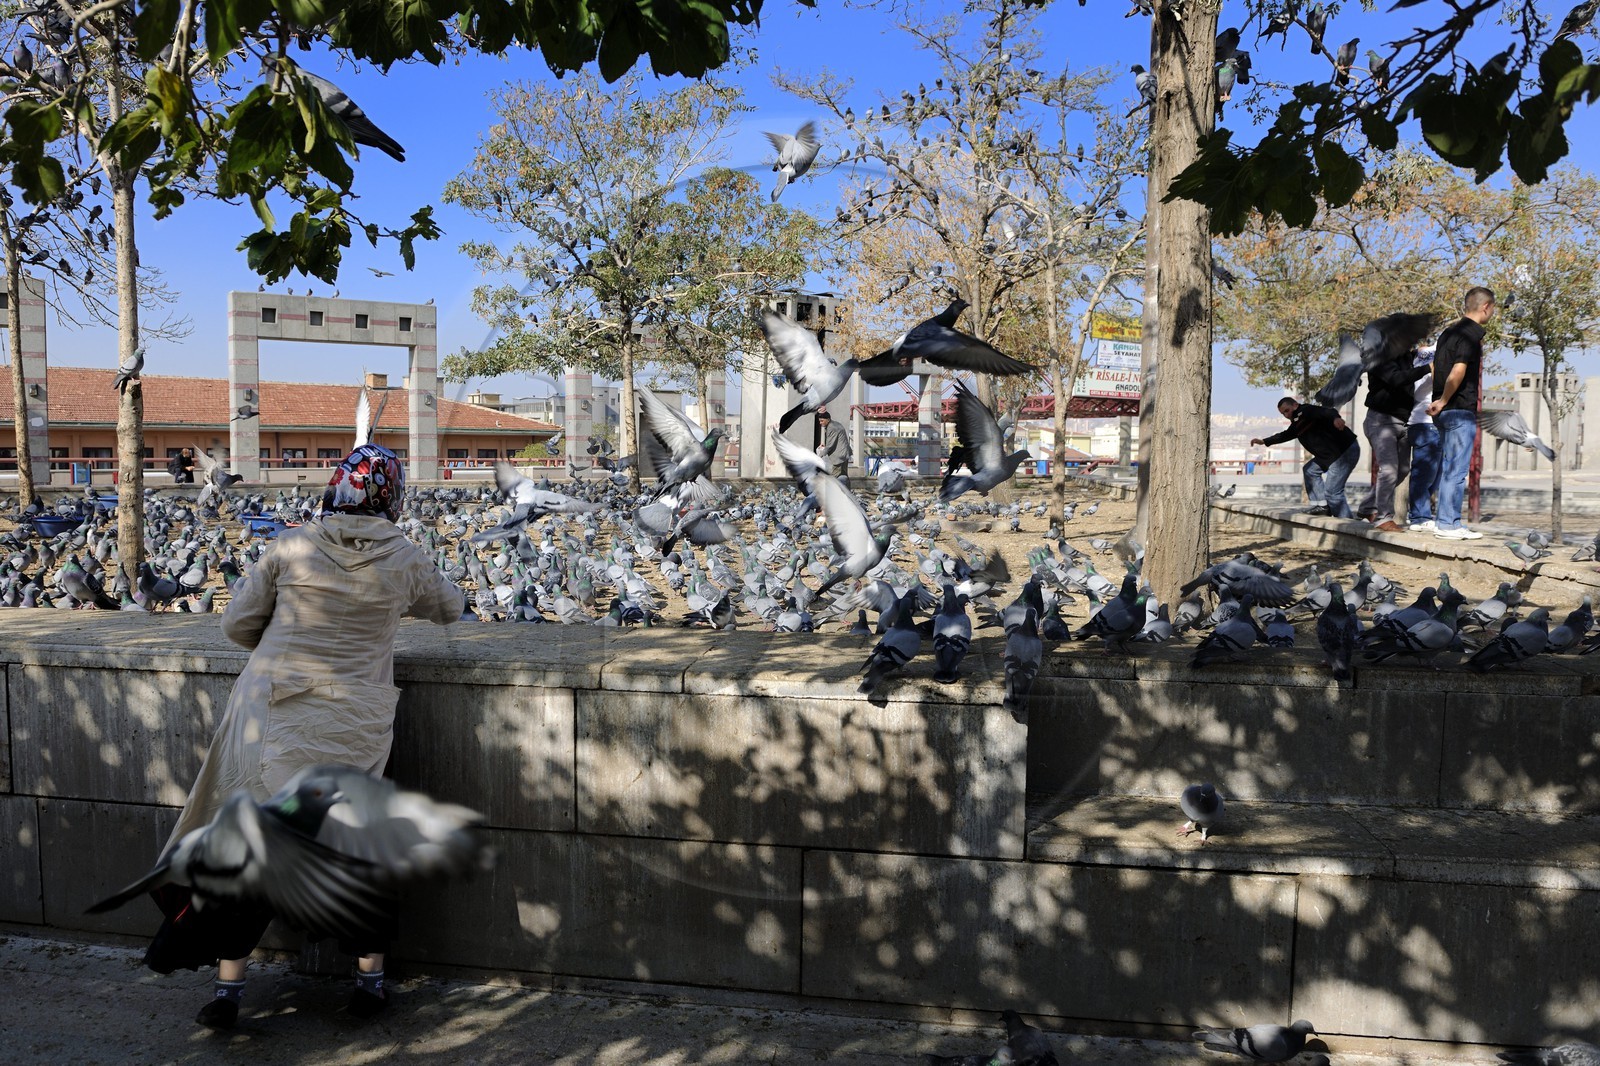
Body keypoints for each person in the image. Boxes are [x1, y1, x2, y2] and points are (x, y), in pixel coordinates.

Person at [143, 443, 464, 1029]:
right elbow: (451, 608)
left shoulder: (290, 545)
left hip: (275, 721)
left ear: (336, 486)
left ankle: (228, 992)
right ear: (392, 494)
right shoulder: (407, 558)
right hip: (355, 727)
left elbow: (236, 624)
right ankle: (369, 982)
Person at [1427, 287, 1496, 540]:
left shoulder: (1447, 333)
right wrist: (1444, 400)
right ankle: (1448, 524)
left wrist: (1437, 400)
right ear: (1486, 307)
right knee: (1456, 471)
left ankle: (1443, 522)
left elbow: (1435, 366)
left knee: (1448, 469)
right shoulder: (1469, 336)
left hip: (1443, 412)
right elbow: (1457, 372)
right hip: (1458, 411)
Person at [1357, 341, 1436, 532]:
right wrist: (1427, 368)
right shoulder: (1379, 357)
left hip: (1403, 421)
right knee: (1389, 470)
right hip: (1381, 421)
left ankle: (1368, 506)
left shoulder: (1404, 356)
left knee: (1402, 470)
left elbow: (1411, 358)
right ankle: (1383, 517)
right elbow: (1396, 378)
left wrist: (1419, 351)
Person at [1251, 397, 1360, 518]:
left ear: (1295, 405)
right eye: (1283, 414)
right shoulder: (1297, 424)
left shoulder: (1307, 411)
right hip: (1330, 455)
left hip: (1344, 452)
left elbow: (1327, 411)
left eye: (1287, 411)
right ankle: (1321, 506)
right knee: (1310, 470)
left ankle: (1346, 524)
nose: (1286, 415)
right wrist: (1264, 441)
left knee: (1332, 492)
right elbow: (1284, 435)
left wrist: (1336, 418)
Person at [1405, 346, 1442, 531]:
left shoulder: (1417, 357)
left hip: (1420, 421)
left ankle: (1420, 514)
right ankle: (1419, 517)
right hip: (1427, 422)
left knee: (1431, 475)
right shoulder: (1438, 354)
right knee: (1425, 475)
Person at [817, 408, 849, 481]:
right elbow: (834, 441)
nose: (820, 423)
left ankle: (831, 492)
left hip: (839, 457)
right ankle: (846, 491)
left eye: (822, 421)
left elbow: (830, 445)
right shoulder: (836, 424)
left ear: (828, 419)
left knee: (833, 478)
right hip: (844, 454)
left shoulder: (831, 427)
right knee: (844, 476)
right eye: (819, 421)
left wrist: (820, 455)